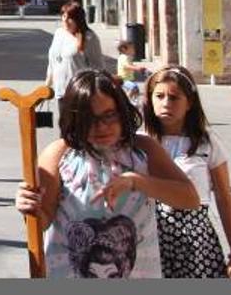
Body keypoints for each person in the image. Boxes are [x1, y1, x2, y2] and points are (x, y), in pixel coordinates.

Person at [15, 70, 198, 277]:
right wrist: (29, 205)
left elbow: (190, 198)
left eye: (109, 115)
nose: (101, 126)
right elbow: (42, 220)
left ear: (122, 112)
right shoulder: (59, 154)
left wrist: (137, 182)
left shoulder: (143, 149)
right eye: (89, 119)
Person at [140, 66, 231, 278]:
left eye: (174, 97)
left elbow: (223, 198)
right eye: (159, 96)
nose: (166, 103)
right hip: (150, 240)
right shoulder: (139, 142)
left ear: (189, 102)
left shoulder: (205, 142)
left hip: (196, 243)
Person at [46, 4, 105, 125]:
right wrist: (47, 84)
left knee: (79, 129)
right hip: (61, 91)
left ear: (78, 19)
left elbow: (98, 68)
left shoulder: (89, 37)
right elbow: (53, 61)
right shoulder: (59, 33)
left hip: (80, 93)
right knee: (65, 129)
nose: (65, 21)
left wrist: (95, 91)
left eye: (70, 18)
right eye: (64, 16)